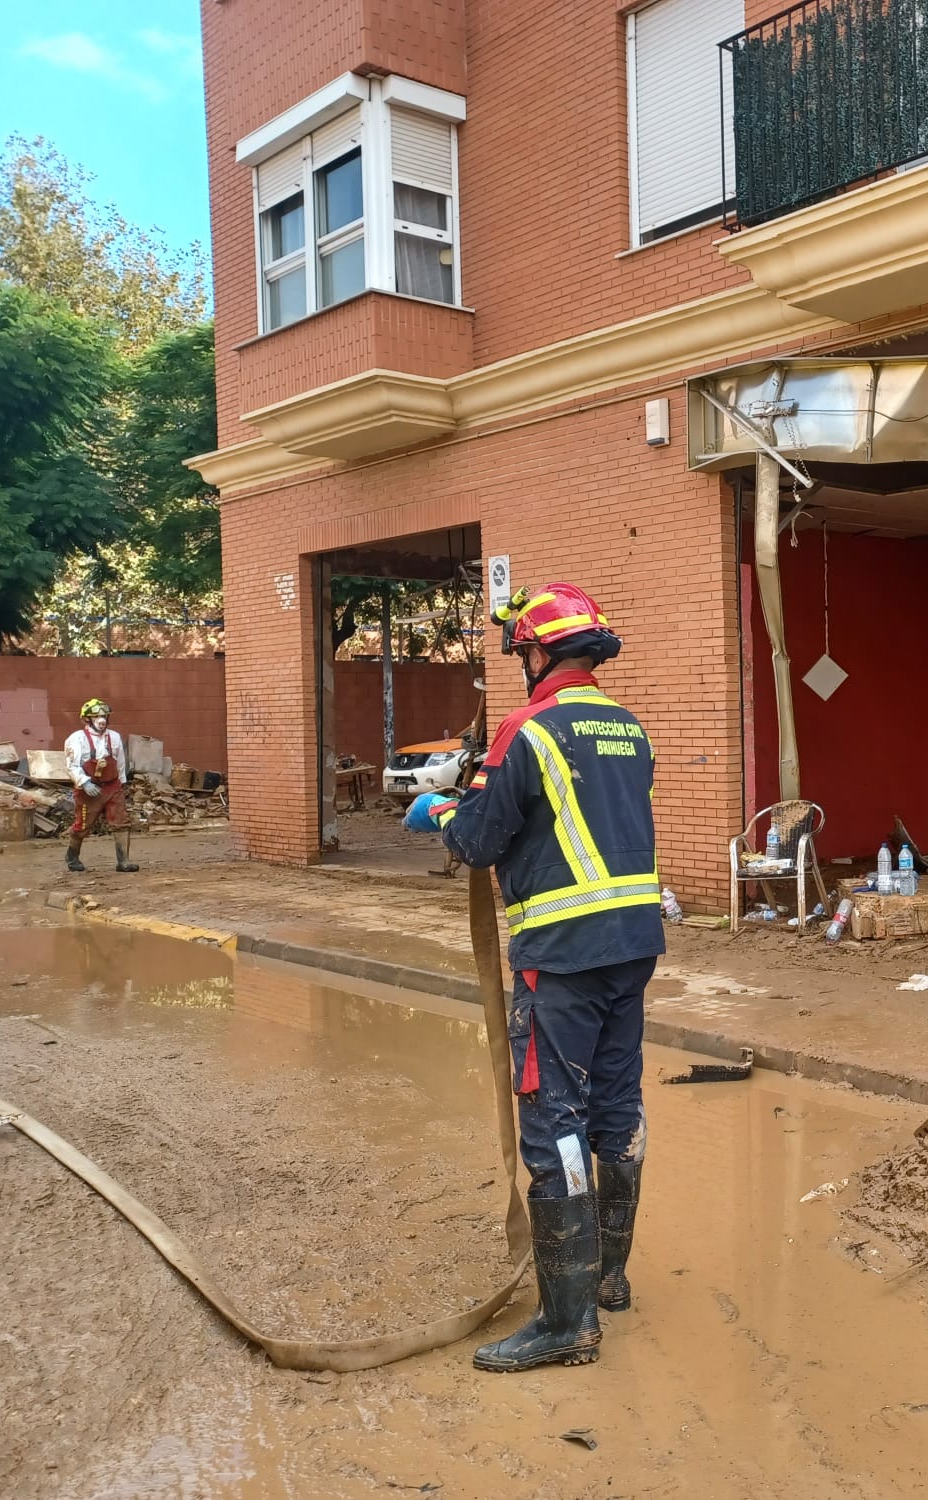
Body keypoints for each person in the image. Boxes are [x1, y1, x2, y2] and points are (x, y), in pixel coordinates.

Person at [405, 582, 662, 1373]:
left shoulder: (530, 728)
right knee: (616, 1110)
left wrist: (438, 812)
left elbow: (482, 842)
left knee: (554, 1120)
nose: (522, 664)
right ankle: (609, 1278)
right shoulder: (628, 726)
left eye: (523, 651)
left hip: (563, 956)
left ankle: (567, 1323)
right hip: (633, 944)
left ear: (540, 651)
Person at [64, 699, 138, 874]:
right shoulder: (77, 739)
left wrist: (122, 782)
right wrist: (84, 782)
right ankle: (72, 856)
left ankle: (123, 862)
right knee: (82, 825)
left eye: (104, 716)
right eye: (96, 716)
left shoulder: (114, 737)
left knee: (121, 823)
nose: (101, 720)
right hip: (88, 790)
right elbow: (71, 766)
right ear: (87, 719)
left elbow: (120, 761)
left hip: (112, 787)